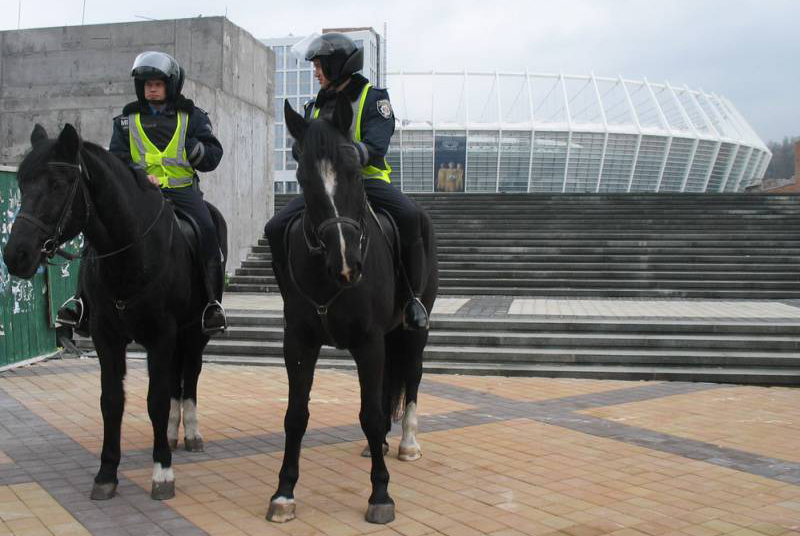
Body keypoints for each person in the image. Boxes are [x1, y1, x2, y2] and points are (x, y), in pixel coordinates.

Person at [264, 32, 430, 330]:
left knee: (410, 216)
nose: (315, 72)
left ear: (337, 65)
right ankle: (292, 298)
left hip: (365, 182)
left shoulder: (373, 98)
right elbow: (298, 148)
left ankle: (411, 298)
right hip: (326, 188)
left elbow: (378, 141)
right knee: (275, 227)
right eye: (314, 66)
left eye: (319, 65)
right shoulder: (313, 106)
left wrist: (353, 153)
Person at [57, 51, 227, 334]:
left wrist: (195, 150)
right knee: (96, 231)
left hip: (182, 190)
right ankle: (80, 302)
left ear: (171, 84)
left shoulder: (193, 117)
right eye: (146, 83)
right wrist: (138, 175)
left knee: (209, 231)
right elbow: (117, 158)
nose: (151, 88)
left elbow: (213, 154)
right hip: (139, 192)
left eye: (157, 83)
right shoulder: (125, 121)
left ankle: (212, 304)